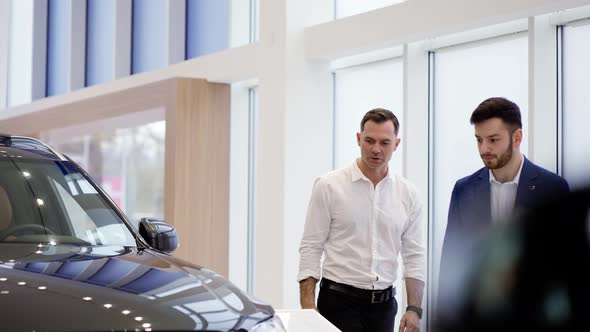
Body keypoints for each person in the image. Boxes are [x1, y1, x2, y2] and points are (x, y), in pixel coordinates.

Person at [438, 97, 570, 320]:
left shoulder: (553, 188)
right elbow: (451, 262)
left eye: (493, 140)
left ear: (517, 137)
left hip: (535, 316)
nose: (484, 149)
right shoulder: (463, 189)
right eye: (479, 140)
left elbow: (566, 265)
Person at [298, 108, 425, 332]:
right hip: (338, 302)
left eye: (385, 142)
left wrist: (414, 308)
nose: (376, 149)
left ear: (396, 144)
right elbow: (311, 246)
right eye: (369, 141)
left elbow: (414, 254)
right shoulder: (329, 186)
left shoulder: (408, 194)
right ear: (359, 139)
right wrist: (308, 306)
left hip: (384, 307)